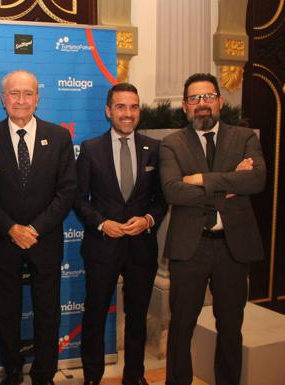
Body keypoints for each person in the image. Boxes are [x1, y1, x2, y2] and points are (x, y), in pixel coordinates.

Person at [159, 73, 266, 385]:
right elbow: (172, 191)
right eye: (194, 99)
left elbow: (257, 180)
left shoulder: (244, 137)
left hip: (233, 247)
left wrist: (201, 179)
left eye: (208, 97)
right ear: (184, 106)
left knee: (231, 326)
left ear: (220, 100)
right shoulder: (172, 143)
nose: (202, 104)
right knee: (181, 327)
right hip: (189, 249)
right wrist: (231, 182)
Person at [0, 70, 78, 385]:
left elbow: (67, 191)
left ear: (37, 97)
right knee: (6, 312)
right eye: (14, 93)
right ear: (3, 99)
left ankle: (44, 373)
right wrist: (11, 228)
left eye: (27, 93)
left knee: (48, 312)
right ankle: (13, 371)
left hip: (44, 240)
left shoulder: (59, 137)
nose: (21, 100)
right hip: (3, 241)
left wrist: (34, 228)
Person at [73, 83, 167, 385]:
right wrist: (102, 223)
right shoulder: (90, 149)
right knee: (95, 316)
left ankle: (135, 376)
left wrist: (149, 220)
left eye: (134, 107)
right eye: (121, 107)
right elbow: (78, 197)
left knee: (137, 317)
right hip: (102, 245)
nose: (128, 113)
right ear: (108, 111)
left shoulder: (154, 148)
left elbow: (161, 198)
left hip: (141, 247)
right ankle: (92, 377)